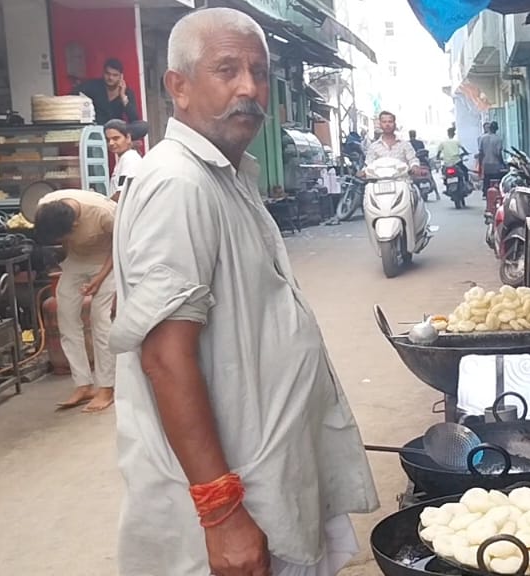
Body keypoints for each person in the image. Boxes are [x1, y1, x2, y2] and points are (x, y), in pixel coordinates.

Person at [108, 8, 379, 576]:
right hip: (231, 503)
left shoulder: (225, 175)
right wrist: (222, 511)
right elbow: (164, 357)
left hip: (268, 476)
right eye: (226, 70)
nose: (250, 87)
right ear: (177, 87)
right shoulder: (178, 185)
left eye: (258, 70)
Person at [35, 189, 117, 414]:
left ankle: (106, 387)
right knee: (67, 319)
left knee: (100, 321)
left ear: (75, 225)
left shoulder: (104, 213)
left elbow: (119, 246)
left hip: (106, 262)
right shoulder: (46, 208)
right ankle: (83, 384)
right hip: (76, 261)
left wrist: (99, 279)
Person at [74, 58, 141, 125]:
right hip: (95, 128)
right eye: (108, 73)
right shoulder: (93, 86)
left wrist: (123, 96)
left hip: (116, 130)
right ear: (103, 73)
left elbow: (134, 119)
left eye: (115, 75)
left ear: (121, 76)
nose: (110, 77)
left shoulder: (127, 93)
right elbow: (73, 95)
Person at [104, 119, 142, 202]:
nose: (111, 143)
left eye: (116, 138)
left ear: (128, 138)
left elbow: (122, 193)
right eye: (108, 140)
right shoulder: (124, 158)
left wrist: (106, 205)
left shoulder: (130, 158)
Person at [477, 121, 505, 191]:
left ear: (489, 128)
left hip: (486, 163)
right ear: (496, 129)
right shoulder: (498, 139)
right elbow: (498, 153)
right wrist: (502, 163)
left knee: (487, 178)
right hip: (495, 163)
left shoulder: (482, 138)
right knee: (496, 179)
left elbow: (481, 152)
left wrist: (480, 164)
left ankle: (485, 192)